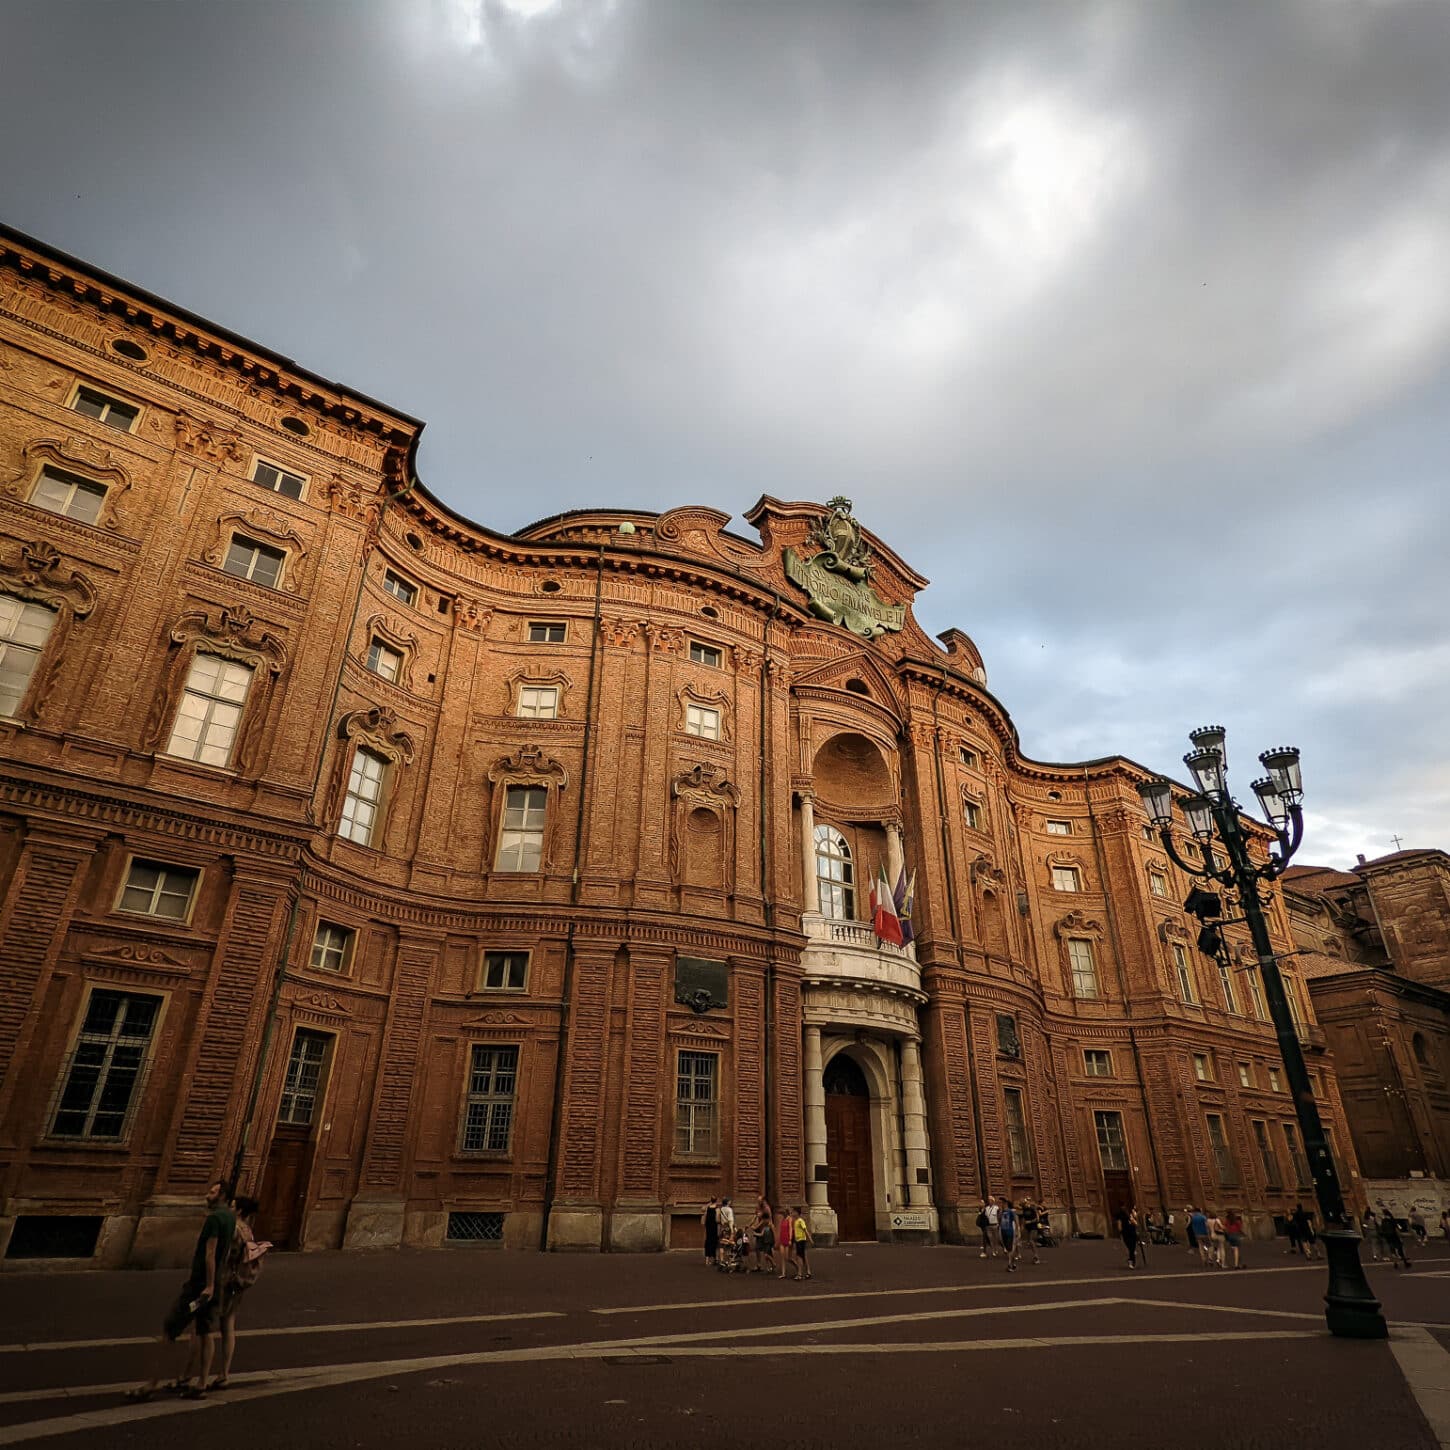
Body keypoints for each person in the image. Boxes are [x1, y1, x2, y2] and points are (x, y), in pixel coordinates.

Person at [126, 1180, 235, 1402]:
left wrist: (209, 1285)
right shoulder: (231, 1218)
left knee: (170, 1328)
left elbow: (210, 1254)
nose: (207, 1195)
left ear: (222, 1195)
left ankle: (151, 1384)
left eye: (212, 1192)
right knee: (206, 1333)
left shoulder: (214, 1219)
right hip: (217, 1284)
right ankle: (201, 1383)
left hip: (200, 1285)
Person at [211, 1195, 269, 1390]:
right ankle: (223, 1373)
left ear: (239, 1211)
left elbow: (221, 1254)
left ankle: (197, 1376)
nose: (229, 1207)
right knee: (228, 1324)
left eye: (233, 1205)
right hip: (238, 1283)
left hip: (224, 1281)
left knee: (205, 1327)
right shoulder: (248, 1230)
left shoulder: (234, 1229)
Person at [752, 1196, 776, 1273]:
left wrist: (756, 1227)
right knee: (757, 1248)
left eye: (759, 1201)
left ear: (763, 1201)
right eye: (758, 1201)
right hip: (759, 1229)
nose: (758, 1202)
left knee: (767, 1249)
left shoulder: (767, 1208)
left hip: (766, 1230)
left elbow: (767, 1220)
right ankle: (759, 1265)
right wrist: (750, 1224)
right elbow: (755, 1217)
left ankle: (771, 1266)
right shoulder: (758, 1207)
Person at [791, 1205, 814, 1281]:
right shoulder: (795, 1221)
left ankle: (800, 1274)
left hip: (801, 1240)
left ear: (797, 1213)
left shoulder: (800, 1221)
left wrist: (810, 1239)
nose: (792, 1213)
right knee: (803, 1256)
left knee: (799, 1257)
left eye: (794, 1212)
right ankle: (808, 1272)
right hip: (798, 1240)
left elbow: (805, 1230)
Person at [1116, 1205, 1139, 1269]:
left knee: (1131, 1248)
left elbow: (1119, 1225)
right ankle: (1131, 1261)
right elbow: (1135, 1224)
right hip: (1129, 1233)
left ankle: (1131, 1261)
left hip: (1128, 1233)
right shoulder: (1124, 1216)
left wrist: (1120, 1233)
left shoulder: (1129, 1216)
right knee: (1131, 1248)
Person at [777, 1206, 797, 1280]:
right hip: (782, 1239)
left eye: (784, 1213)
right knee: (782, 1258)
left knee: (788, 1258)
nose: (783, 1214)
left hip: (787, 1239)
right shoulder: (782, 1219)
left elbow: (790, 1229)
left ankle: (797, 1266)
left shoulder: (790, 1219)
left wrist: (790, 1239)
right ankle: (783, 1273)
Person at [1020, 1199, 1043, 1265]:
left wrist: (1030, 1221)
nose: (1025, 1205)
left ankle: (1036, 1256)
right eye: (1024, 1204)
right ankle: (1035, 1255)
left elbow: (1037, 1218)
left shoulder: (1032, 1208)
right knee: (1030, 1242)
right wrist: (1022, 1226)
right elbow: (1024, 1218)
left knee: (1031, 1240)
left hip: (1034, 1226)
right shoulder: (1024, 1209)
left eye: (1025, 1203)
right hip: (1028, 1227)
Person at [1000, 1199, 1020, 1273]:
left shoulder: (1011, 1211)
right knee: (1008, 1250)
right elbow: (999, 1221)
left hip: (1009, 1231)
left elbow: (1016, 1221)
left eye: (1002, 1203)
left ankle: (1010, 1265)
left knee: (1010, 1249)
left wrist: (1017, 1231)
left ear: (1006, 1204)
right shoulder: (1002, 1212)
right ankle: (1013, 1263)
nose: (1001, 1204)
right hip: (1003, 1231)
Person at [702, 1196, 719, 1267]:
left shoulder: (707, 1208)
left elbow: (702, 1209)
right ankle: (715, 1259)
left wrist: (709, 1203)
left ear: (711, 1200)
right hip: (714, 1227)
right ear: (716, 1200)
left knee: (708, 1242)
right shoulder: (717, 1209)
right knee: (714, 1242)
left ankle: (707, 1261)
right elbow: (717, 1219)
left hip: (708, 1227)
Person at [717, 1197, 735, 1264]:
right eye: (729, 1201)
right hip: (728, 1228)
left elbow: (718, 1219)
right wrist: (732, 1231)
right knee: (729, 1244)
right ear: (727, 1202)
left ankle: (721, 1260)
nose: (730, 1202)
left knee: (721, 1244)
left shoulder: (721, 1209)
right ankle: (729, 1260)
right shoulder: (729, 1210)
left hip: (722, 1228)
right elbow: (730, 1220)